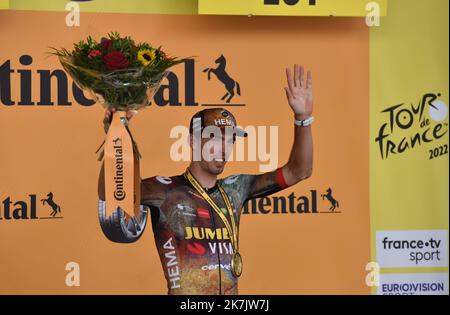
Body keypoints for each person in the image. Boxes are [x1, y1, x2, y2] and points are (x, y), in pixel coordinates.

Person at [98, 64, 314, 295]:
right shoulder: (164, 190)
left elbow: (298, 171)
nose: (223, 148)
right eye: (214, 138)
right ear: (192, 141)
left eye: (230, 140)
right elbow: (110, 193)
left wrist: (303, 118)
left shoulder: (236, 188)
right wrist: (116, 138)